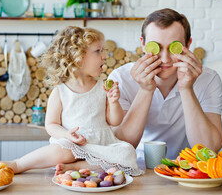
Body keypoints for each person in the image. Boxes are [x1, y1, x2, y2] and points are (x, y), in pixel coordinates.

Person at [7, 26, 143, 176]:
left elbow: (115, 121)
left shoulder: (102, 87)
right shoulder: (60, 91)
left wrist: (114, 101)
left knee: (127, 153)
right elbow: (51, 125)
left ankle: (77, 167)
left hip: (101, 145)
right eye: (98, 51)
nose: (104, 56)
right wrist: (67, 135)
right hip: (72, 144)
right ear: (78, 58)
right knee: (62, 152)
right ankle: (19, 164)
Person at [108, 8, 222, 159]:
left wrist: (186, 89)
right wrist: (145, 90)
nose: (165, 59)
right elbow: (120, 145)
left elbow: (210, 148)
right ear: (143, 44)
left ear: (188, 44)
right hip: (134, 169)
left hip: (186, 170)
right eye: (157, 47)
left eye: (173, 48)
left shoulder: (208, 79)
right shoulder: (120, 78)